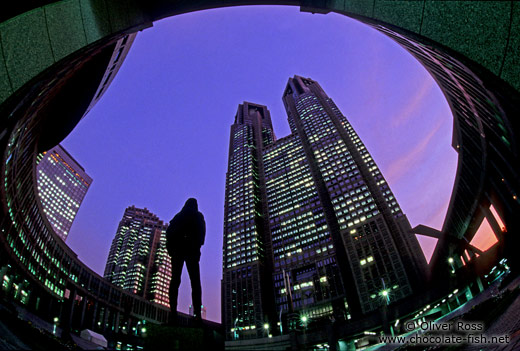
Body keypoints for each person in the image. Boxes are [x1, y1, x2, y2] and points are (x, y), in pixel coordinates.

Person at [166, 198, 206, 324]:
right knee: (195, 282)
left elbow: (168, 233)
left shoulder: (178, 216)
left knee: (175, 281)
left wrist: (172, 249)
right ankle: (198, 316)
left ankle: (173, 313)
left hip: (178, 251)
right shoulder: (198, 215)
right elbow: (202, 236)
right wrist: (196, 245)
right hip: (191, 252)